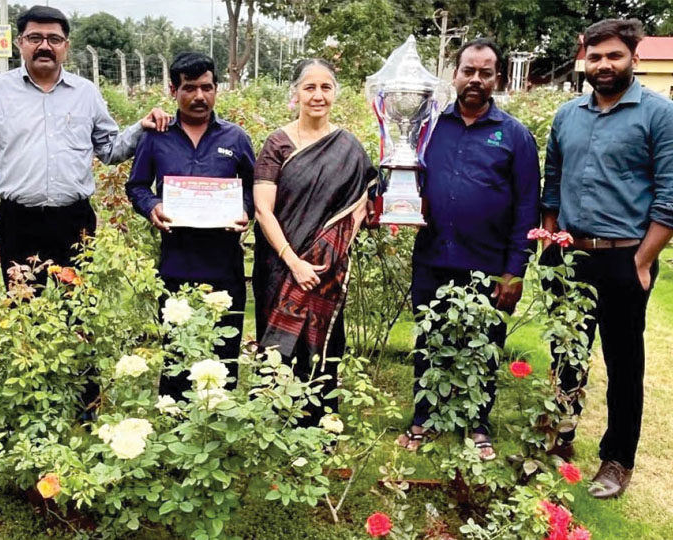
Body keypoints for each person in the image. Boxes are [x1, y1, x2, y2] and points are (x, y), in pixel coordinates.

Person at [541, 19, 673, 498]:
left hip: (624, 259)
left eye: (613, 56)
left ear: (634, 58)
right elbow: (552, 181)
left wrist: (643, 260)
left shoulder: (659, 114)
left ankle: (617, 459)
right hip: (569, 256)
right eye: (594, 57)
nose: (603, 66)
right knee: (566, 352)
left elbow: (670, 194)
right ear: (584, 60)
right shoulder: (567, 115)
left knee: (623, 361)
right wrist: (548, 243)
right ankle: (561, 433)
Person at [395, 38, 540, 460]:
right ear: (454, 75)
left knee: (483, 345)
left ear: (497, 78)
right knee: (429, 342)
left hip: (488, 264)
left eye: (485, 72)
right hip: (433, 258)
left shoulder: (514, 135)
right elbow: (407, 181)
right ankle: (423, 416)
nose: (475, 80)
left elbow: (527, 206)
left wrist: (515, 271)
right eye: (468, 71)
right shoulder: (427, 128)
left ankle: (477, 423)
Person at [0, 5, 170, 288]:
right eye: (35, 38)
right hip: (18, 222)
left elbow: (108, 149)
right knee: (24, 315)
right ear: (20, 42)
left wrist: (140, 128)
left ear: (65, 46)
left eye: (53, 39)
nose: (44, 46)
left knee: (79, 313)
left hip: (74, 221)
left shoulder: (85, 93)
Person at [253, 59, 377, 427]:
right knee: (278, 346)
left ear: (335, 93)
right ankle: (274, 426)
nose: (318, 95)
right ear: (296, 93)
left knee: (325, 347)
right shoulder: (278, 143)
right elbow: (263, 210)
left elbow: (359, 209)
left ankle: (319, 424)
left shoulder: (350, 148)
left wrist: (327, 257)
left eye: (326, 87)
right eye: (310, 87)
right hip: (280, 267)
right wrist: (294, 262)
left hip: (326, 271)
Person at [125, 52, 254, 398]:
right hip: (176, 261)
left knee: (224, 349)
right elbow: (136, 186)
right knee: (177, 349)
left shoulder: (235, 138)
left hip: (224, 262)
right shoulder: (156, 138)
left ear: (216, 89)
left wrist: (244, 211)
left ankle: (219, 422)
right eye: (190, 88)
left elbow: (255, 188)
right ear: (174, 90)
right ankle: (175, 419)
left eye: (207, 87)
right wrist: (152, 206)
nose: (200, 96)